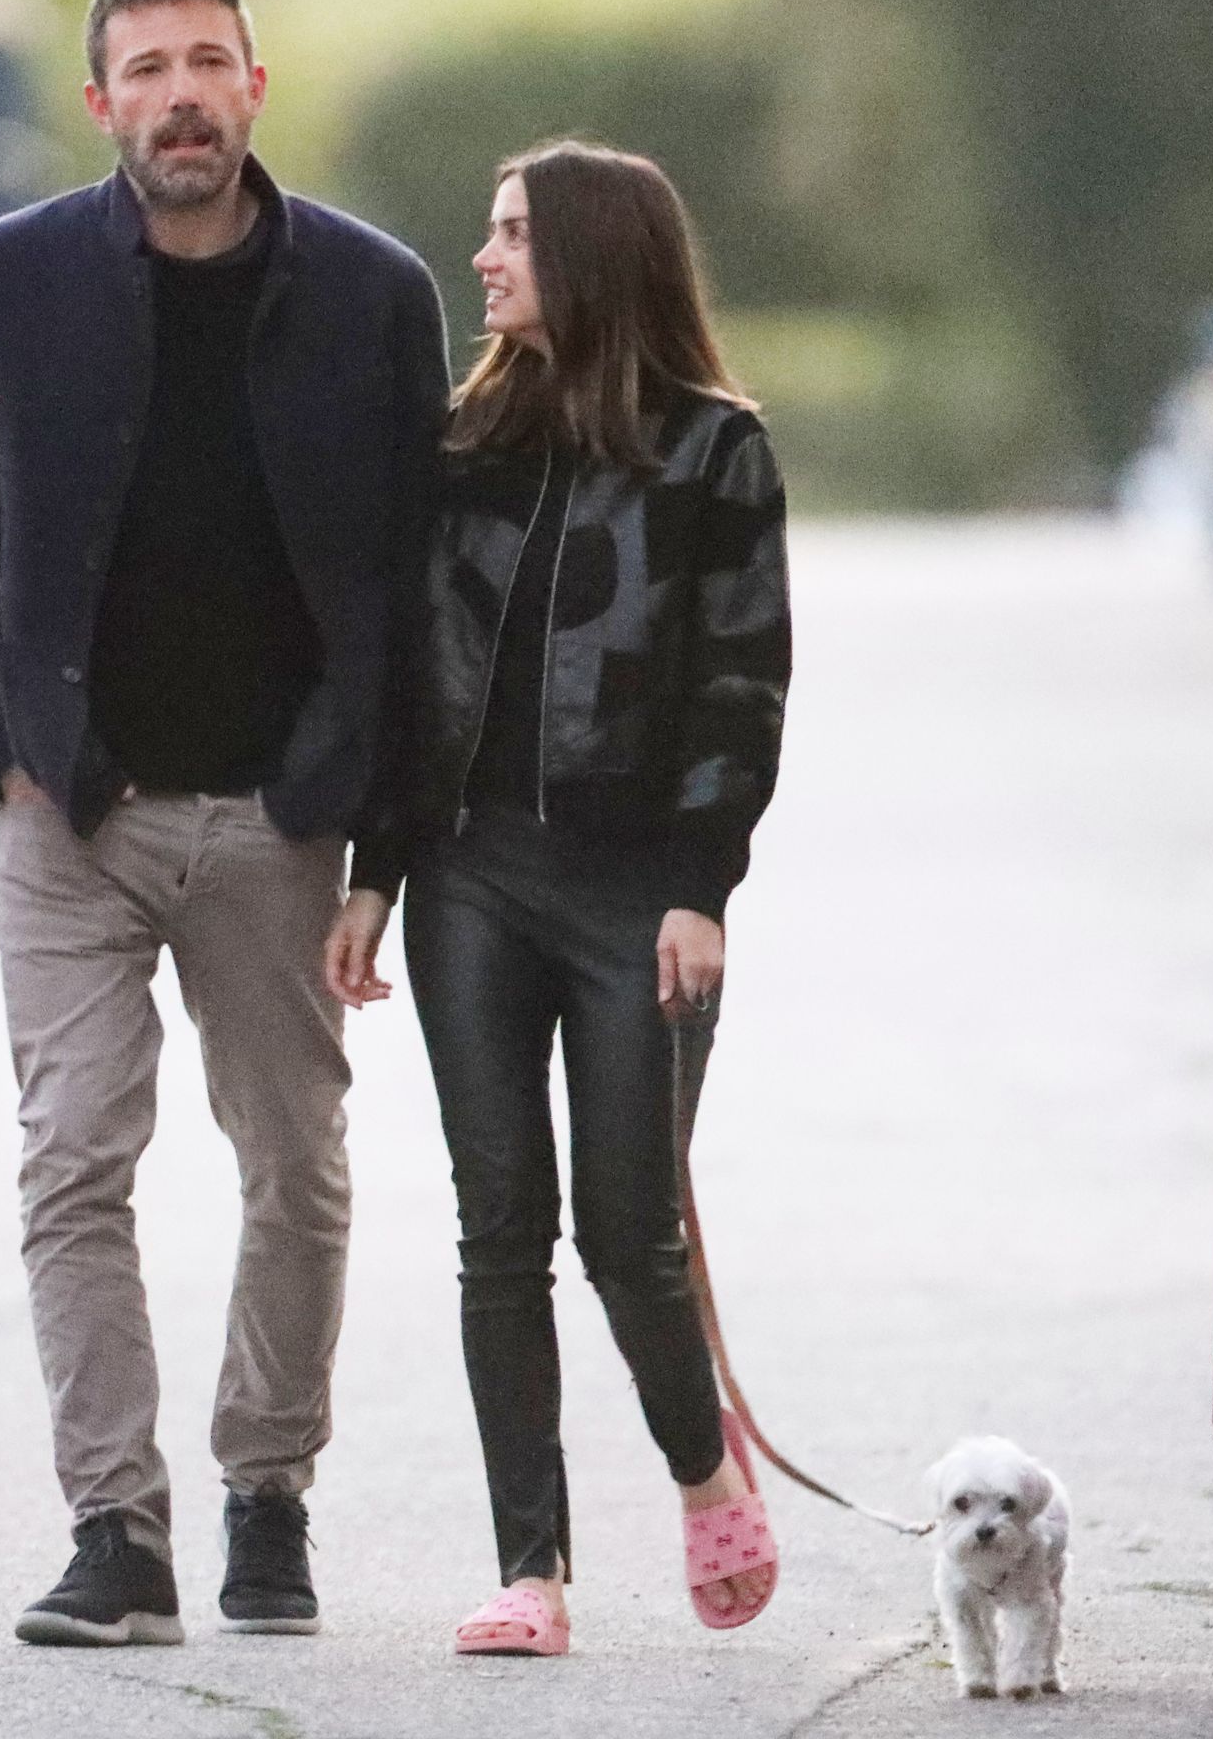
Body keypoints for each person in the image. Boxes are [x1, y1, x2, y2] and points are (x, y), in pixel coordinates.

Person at [0, 0, 449, 1647]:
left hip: (281, 817)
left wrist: (380, 844)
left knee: (297, 1166)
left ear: (254, 87)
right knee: (73, 1162)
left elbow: (416, 583)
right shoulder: (0, 281)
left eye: (208, 63)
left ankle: (268, 1496)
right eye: (147, 69)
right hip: (69, 811)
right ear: (101, 102)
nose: (182, 96)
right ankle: (115, 1533)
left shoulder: (372, 293)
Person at [326, 140, 792, 1656]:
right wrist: (377, 874)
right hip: (472, 877)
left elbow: (743, 680)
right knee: (500, 1222)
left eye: (514, 233)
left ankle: (702, 1466)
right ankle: (531, 1573)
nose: (485, 258)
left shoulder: (716, 452)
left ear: (593, 253)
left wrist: (701, 884)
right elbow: (413, 681)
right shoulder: (462, 444)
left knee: (628, 1231)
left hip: (639, 892)